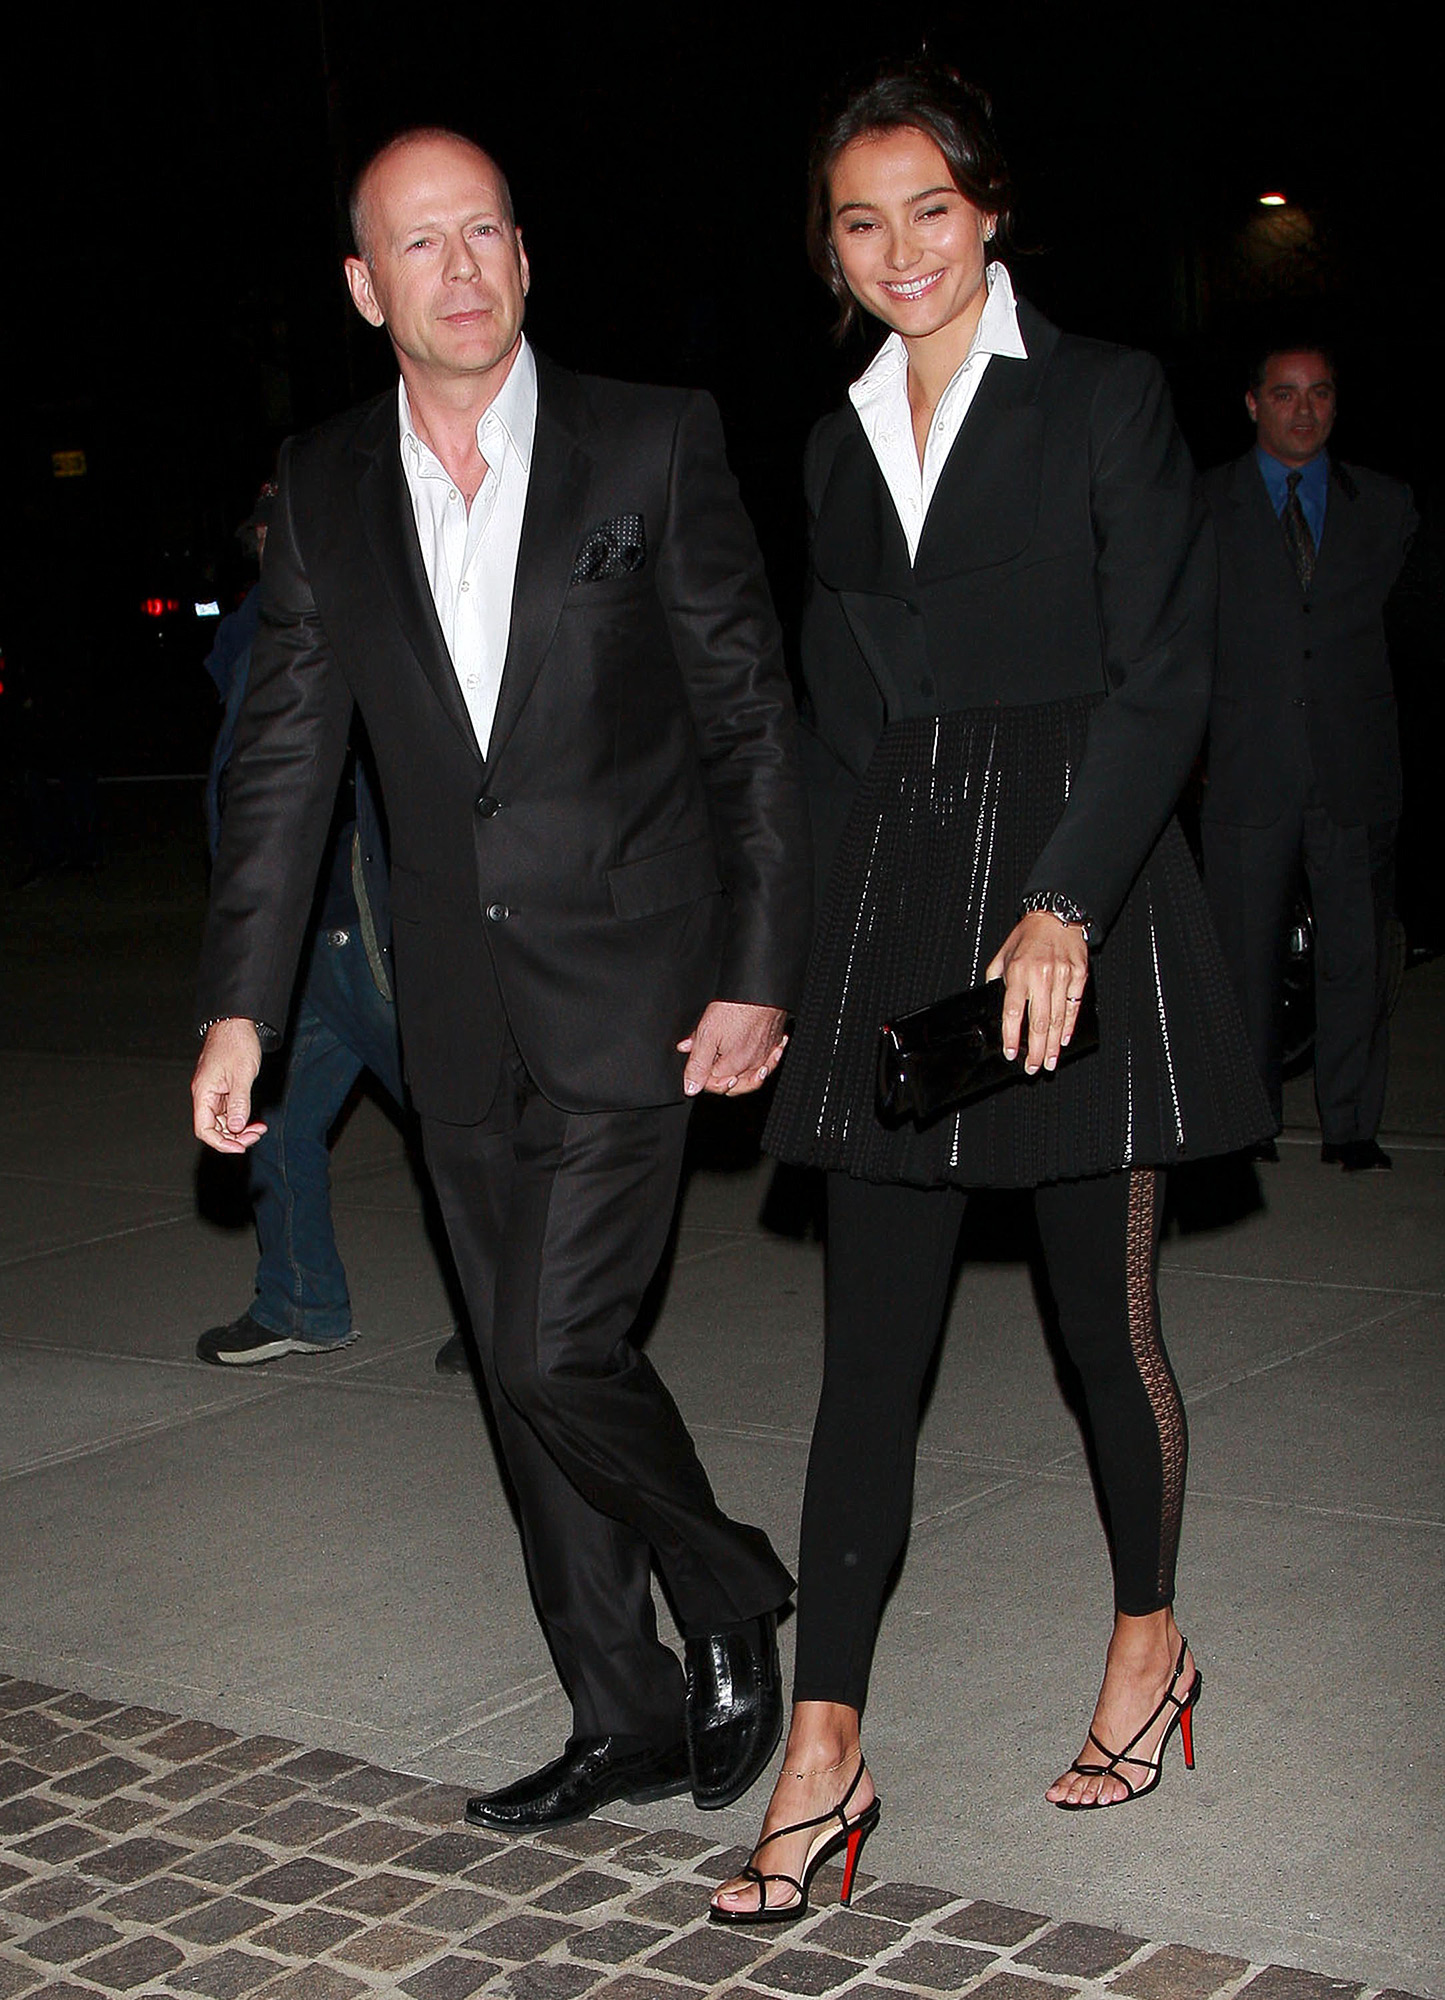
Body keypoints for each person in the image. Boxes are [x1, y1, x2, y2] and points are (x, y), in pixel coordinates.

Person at [190, 128, 811, 1829]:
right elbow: (284, 766)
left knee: (547, 1350)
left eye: (484, 233)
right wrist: (241, 1004)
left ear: (525, 257)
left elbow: (752, 723)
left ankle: (731, 1583)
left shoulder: (652, 440)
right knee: (526, 1393)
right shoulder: (324, 484)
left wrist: (760, 965)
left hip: (639, 992)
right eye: (420, 241)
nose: (459, 269)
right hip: (454, 1015)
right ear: (363, 286)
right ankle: (623, 1714)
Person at [711, 64, 1271, 1923]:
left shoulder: (1101, 395)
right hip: (902, 898)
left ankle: (1148, 1645)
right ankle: (824, 1750)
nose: (900, 251)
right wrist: (786, 974)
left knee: (1102, 1327)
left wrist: (1063, 902)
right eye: (860, 222)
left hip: (1076, 890)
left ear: (991, 209)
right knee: (867, 1363)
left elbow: (1163, 678)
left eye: (930, 210)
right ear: (830, 247)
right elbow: (832, 736)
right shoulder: (832, 444)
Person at [195, 483, 406, 1367]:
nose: (275, 536)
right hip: (289, 935)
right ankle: (301, 1303)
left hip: (351, 912)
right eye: (266, 524)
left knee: (461, 1120)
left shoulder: (352, 606)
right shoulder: (256, 622)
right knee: (274, 1124)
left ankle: (528, 1322)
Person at [1200, 346, 1418, 1171]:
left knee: (1356, 954)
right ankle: (1245, 1122)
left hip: (1353, 765)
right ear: (1251, 403)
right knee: (1241, 959)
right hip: (1245, 765)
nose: (1303, 410)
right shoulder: (1201, 503)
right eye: (1285, 394)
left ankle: (1351, 1126)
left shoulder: (1385, 506)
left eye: (1319, 394)